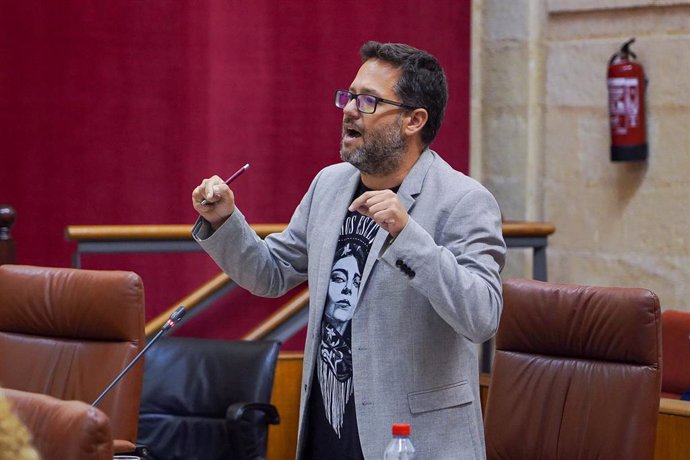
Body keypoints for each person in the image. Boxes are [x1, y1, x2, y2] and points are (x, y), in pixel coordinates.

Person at [192, 41, 506, 459]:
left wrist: (406, 235)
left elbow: (482, 316)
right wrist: (224, 221)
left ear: (414, 120)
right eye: (350, 95)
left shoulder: (464, 200)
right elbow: (271, 273)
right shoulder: (329, 185)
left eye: (369, 101)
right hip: (328, 429)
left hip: (412, 440)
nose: (349, 109)